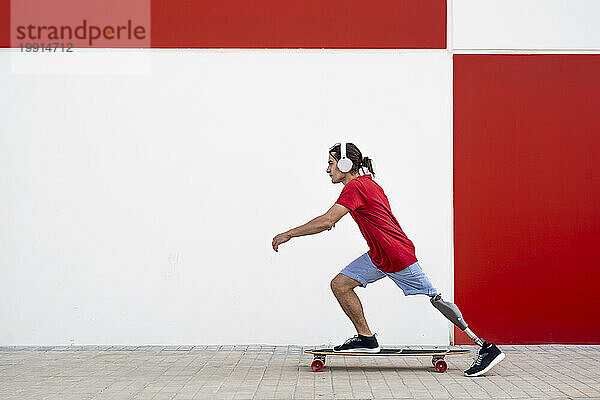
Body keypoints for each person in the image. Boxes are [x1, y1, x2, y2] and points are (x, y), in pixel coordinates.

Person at [272, 142, 505, 377]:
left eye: (331, 163)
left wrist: (288, 234)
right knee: (341, 284)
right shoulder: (367, 184)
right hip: (379, 255)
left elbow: (327, 221)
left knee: (435, 298)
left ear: (345, 164)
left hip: (397, 255)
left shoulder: (356, 187)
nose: (327, 169)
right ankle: (366, 339)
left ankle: (487, 347)